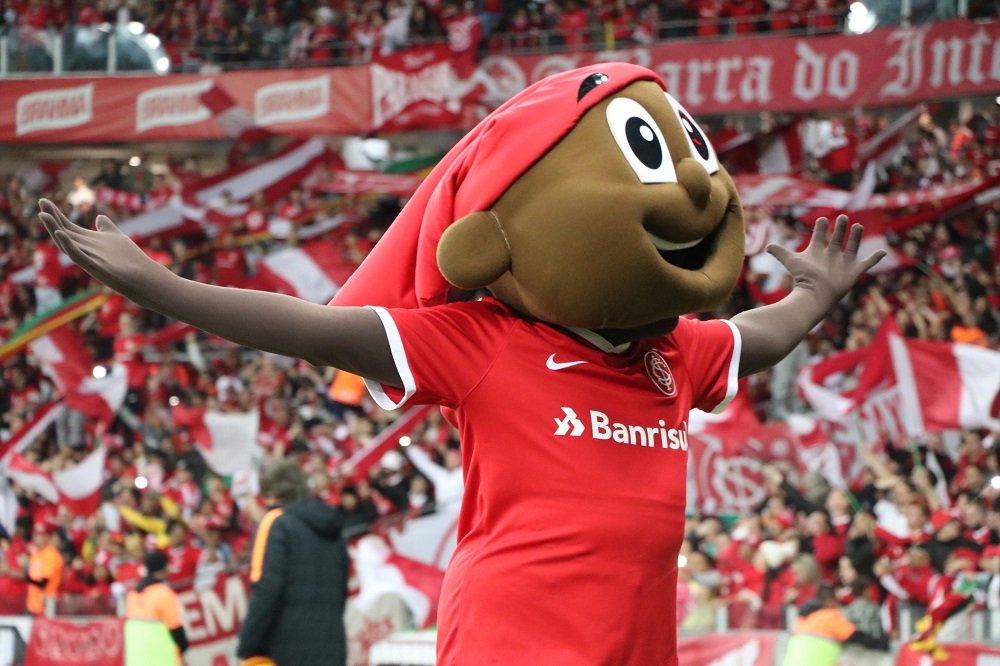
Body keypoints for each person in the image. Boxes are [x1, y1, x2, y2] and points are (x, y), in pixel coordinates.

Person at [38, 62, 885, 665]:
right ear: (492, 242)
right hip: (512, 643)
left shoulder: (674, 352)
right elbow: (310, 329)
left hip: (640, 645)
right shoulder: (482, 343)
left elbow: (762, 338)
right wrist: (161, 286)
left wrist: (814, 295)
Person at [236, 460, 348, 666]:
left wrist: (248, 645)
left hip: (285, 650)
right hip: (333, 645)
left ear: (270, 493)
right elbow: (341, 589)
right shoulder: (331, 525)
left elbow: (265, 589)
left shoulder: (274, 523)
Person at [782, 586, 888, 665]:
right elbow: (856, 637)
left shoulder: (801, 619)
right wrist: (881, 643)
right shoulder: (829, 616)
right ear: (830, 601)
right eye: (837, 601)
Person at [124, 550, 188, 664]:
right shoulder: (163, 593)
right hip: (163, 660)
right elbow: (176, 631)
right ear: (165, 568)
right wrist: (183, 649)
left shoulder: (131, 595)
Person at [25, 521, 64, 615]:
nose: (36, 538)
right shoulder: (36, 554)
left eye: (40, 535)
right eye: (35, 535)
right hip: (33, 605)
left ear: (47, 537)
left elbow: (43, 582)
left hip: (47, 605)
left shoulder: (51, 555)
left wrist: (25, 577)